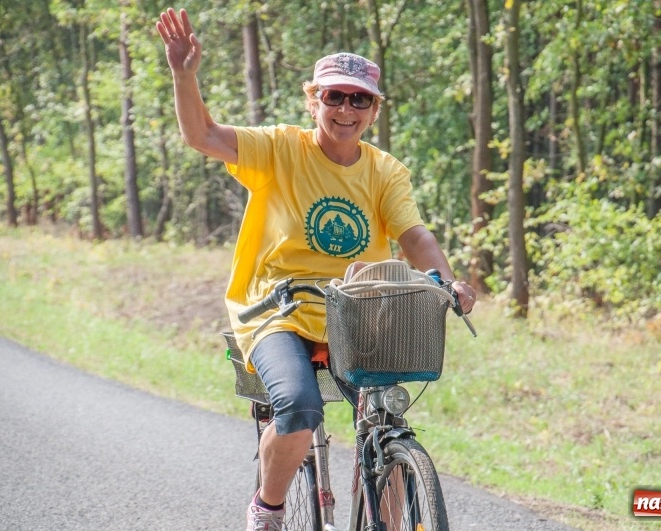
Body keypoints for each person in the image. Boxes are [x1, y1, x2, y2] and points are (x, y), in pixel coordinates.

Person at [156, 7, 477, 531]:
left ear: (373, 110)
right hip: (276, 309)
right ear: (315, 102)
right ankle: (269, 507)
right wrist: (184, 75)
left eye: (359, 99)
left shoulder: (384, 170)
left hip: (355, 313)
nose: (346, 108)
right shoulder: (281, 148)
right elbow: (204, 136)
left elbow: (413, 235)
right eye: (334, 96)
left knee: (384, 418)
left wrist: (444, 280)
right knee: (302, 407)